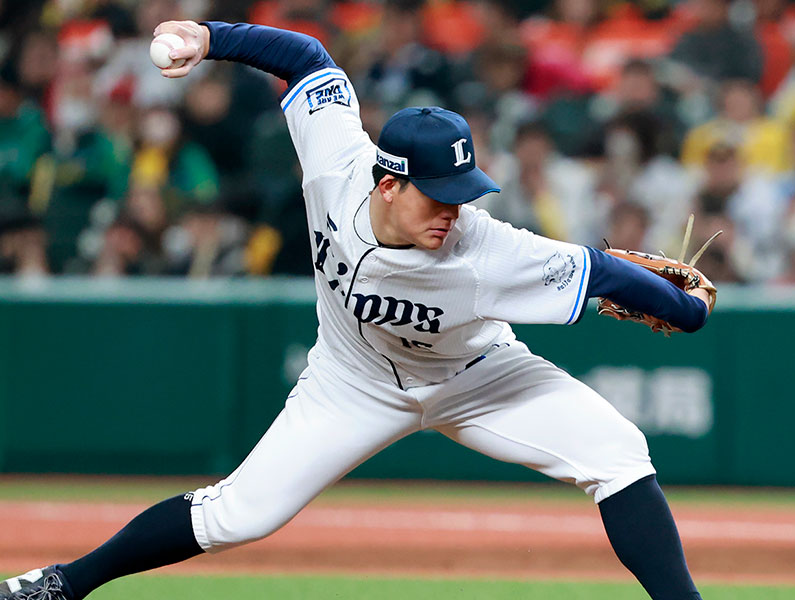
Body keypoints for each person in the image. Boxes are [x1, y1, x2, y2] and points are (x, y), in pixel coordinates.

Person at [0, 19, 712, 600]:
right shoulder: (337, 159)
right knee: (239, 514)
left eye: (463, 189)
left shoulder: (487, 248)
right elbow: (306, 56)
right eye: (437, 191)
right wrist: (207, 37)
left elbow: (602, 273)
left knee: (618, 453)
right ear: (388, 183)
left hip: (480, 376)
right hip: (352, 384)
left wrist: (687, 313)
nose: (453, 208)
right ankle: (63, 584)